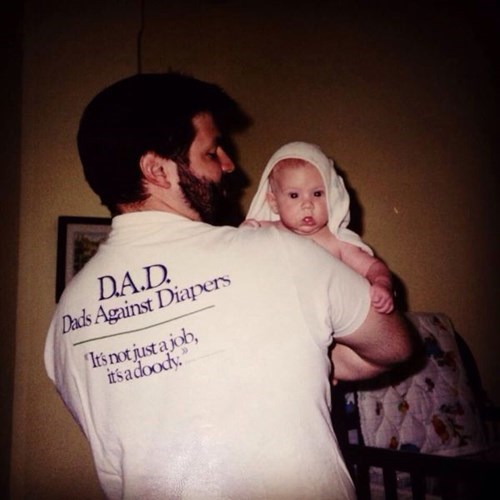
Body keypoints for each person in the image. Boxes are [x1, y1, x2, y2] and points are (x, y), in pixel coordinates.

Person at [44, 71, 413, 500]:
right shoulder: (282, 252)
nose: (228, 164)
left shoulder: (65, 320)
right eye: (210, 152)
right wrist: (327, 358)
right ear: (156, 170)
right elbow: (396, 345)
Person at [245, 141, 394, 314]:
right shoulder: (262, 229)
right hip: (278, 312)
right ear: (274, 202)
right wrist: (245, 233)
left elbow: (373, 267)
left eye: (317, 193)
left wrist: (382, 283)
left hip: (324, 316)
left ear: (331, 196)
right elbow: (240, 256)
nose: (307, 204)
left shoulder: (336, 242)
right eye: (294, 195)